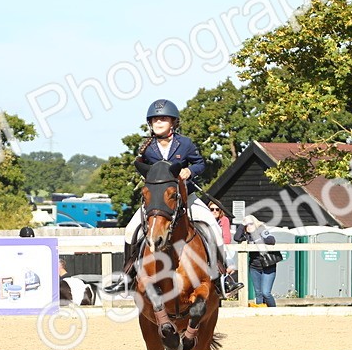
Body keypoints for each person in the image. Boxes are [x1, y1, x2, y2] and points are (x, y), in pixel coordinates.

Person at [102, 99, 240, 296]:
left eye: (163, 119)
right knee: (130, 230)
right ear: (150, 123)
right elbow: (141, 167)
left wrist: (189, 171)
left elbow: (200, 163)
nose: (158, 122)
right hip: (158, 202)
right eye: (155, 119)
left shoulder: (185, 144)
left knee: (213, 227)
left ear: (173, 122)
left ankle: (223, 276)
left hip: (186, 197)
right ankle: (127, 277)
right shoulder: (147, 147)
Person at [235, 215, 279, 307]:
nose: (249, 226)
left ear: (255, 223)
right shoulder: (246, 235)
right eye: (246, 224)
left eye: (251, 223)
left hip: (268, 265)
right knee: (258, 293)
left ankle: (274, 311)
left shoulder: (261, 230)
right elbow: (236, 238)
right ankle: (261, 312)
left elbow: (271, 240)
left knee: (266, 293)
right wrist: (242, 225)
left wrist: (256, 239)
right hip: (254, 266)